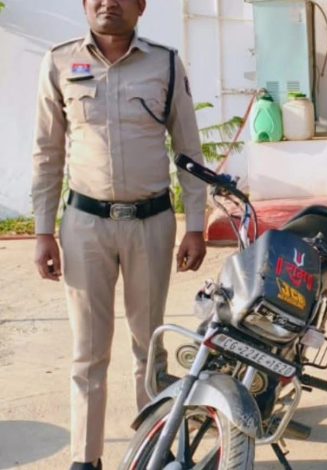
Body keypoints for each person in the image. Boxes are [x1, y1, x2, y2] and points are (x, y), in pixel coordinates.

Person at [31, 1, 207, 468]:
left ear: (141, 6)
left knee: (149, 345)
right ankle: (85, 458)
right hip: (85, 226)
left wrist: (195, 224)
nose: (109, 2)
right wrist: (43, 232)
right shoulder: (59, 62)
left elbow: (189, 149)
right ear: (85, 4)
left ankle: (153, 450)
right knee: (88, 352)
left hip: (150, 223)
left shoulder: (166, 63)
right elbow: (47, 153)